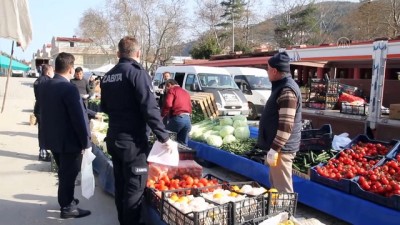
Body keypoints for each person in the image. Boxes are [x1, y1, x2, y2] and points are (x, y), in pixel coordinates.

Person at [100, 36, 174, 225]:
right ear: (138, 53)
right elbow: (149, 108)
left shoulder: (108, 76)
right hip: (133, 143)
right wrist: (164, 137)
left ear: (118, 53)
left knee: (121, 185)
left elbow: (105, 108)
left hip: (114, 138)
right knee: (134, 189)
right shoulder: (137, 73)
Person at [37, 52, 91, 219]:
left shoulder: (44, 86)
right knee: (69, 174)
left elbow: (40, 111)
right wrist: (86, 142)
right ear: (70, 68)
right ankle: (67, 208)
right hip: (69, 141)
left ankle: (67, 199)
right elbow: (78, 118)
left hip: (52, 138)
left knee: (64, 172)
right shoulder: (68, 88)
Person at [257, 51, 302, 193]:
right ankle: (280, 213)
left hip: (282, 150)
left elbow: (286, 125)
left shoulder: (287, 91)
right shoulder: (281, 86)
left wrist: (274, 149)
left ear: (275, 71)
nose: (267, 72)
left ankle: (287, 214)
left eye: (268, 69)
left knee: (283, 191)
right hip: (279, 149)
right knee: (276, 188)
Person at [33, 64, 54, 161]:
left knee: (41, 131)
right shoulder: (48, 81)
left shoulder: (37, 81)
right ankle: (43, 153)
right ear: (48, 71)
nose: (53, 72)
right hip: (44, 110)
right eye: (52, 70)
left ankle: (43, 151)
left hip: (38, 109)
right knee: (44, 132)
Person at [161, 79, 192, 145]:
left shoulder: (171, 90)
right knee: (183, 144)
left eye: (166, 87)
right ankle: (181, 154)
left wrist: (163, 115)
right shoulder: (185, 92)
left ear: (169, 85)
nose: (165, 90)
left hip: (178, 118)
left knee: (167, 140)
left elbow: (168, 104)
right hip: (187, 119)